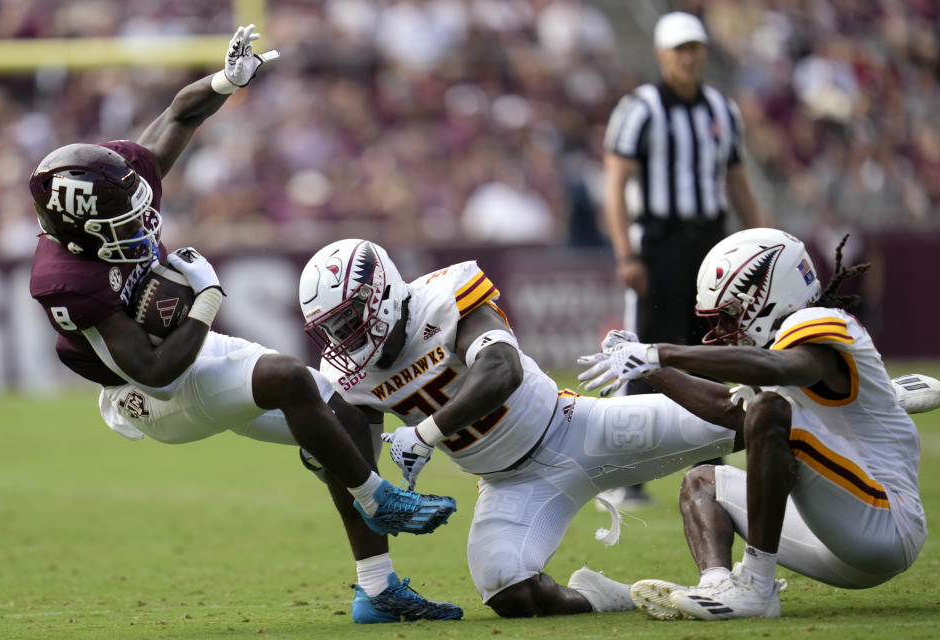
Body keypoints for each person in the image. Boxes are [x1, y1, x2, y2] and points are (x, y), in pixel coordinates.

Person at [26, 26, 461, 624]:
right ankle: (376, 497)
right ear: (77, 233)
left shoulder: (119, 180)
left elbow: (180, 116)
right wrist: (205, 295)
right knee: (290, 379)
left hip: (180, 349)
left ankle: (377, 590)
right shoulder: (65, 282)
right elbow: (154, 374)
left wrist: (225, 81)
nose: (139, 227)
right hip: (146, 393)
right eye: (120, 224)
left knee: (346, 415)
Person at [297, 237, 751, 618]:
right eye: (332, 328)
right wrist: (327, 459)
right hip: (508, 483)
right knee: (508, 593)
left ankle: (754, 570)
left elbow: (501, 370)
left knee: (748, 422)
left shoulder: (444, 295)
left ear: (382, 292)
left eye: (350, 318)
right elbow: (357, 475)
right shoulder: (345, 375)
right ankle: (603, 595)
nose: (346, 337)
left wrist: (426, 433)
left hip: (575, 429)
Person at [577, 228, 928, 620]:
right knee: (703, 483)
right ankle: (719, 586)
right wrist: (650, 368)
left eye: (728, 315)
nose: (723, 331)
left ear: (766, 294)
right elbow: (729, 410)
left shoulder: (819, 323)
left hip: (885, 522)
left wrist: (662, 354)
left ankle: (757, 587)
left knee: (768, 410)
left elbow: (784, 371)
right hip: (832, 536)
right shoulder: (775, 352)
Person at [598, 11, 765, 509]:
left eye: (696, 47)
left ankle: (710, 463)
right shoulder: (641, 107)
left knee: (711, 349)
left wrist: (759, 236)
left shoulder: (720, 107)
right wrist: (626, 252)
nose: (689, 57)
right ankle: (627, 470)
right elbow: (615, 184)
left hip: (711, 242)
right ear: (661, 55)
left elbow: (737, 181)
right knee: (643, 353)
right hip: (659, 240)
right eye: (680, 49)